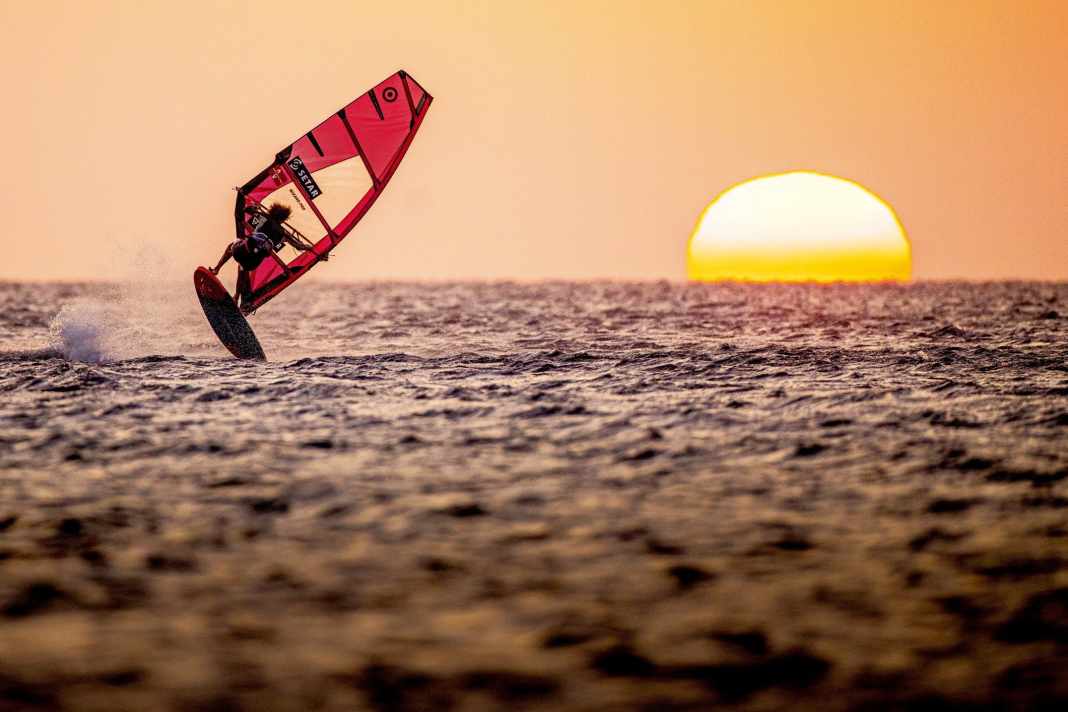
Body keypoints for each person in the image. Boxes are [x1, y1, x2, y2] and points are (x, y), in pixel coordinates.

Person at [210, 203, 321, 299]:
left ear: (272, 211)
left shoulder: (265, 217)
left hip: (241, 252)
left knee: (232, 245)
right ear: (284, 219)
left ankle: (216, 269)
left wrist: (255, 207)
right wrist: (312, 248)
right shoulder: (284, 233)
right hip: (253, 263)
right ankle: (236, 296)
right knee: (243, 268)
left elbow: (246, 210)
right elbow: (299, 246)